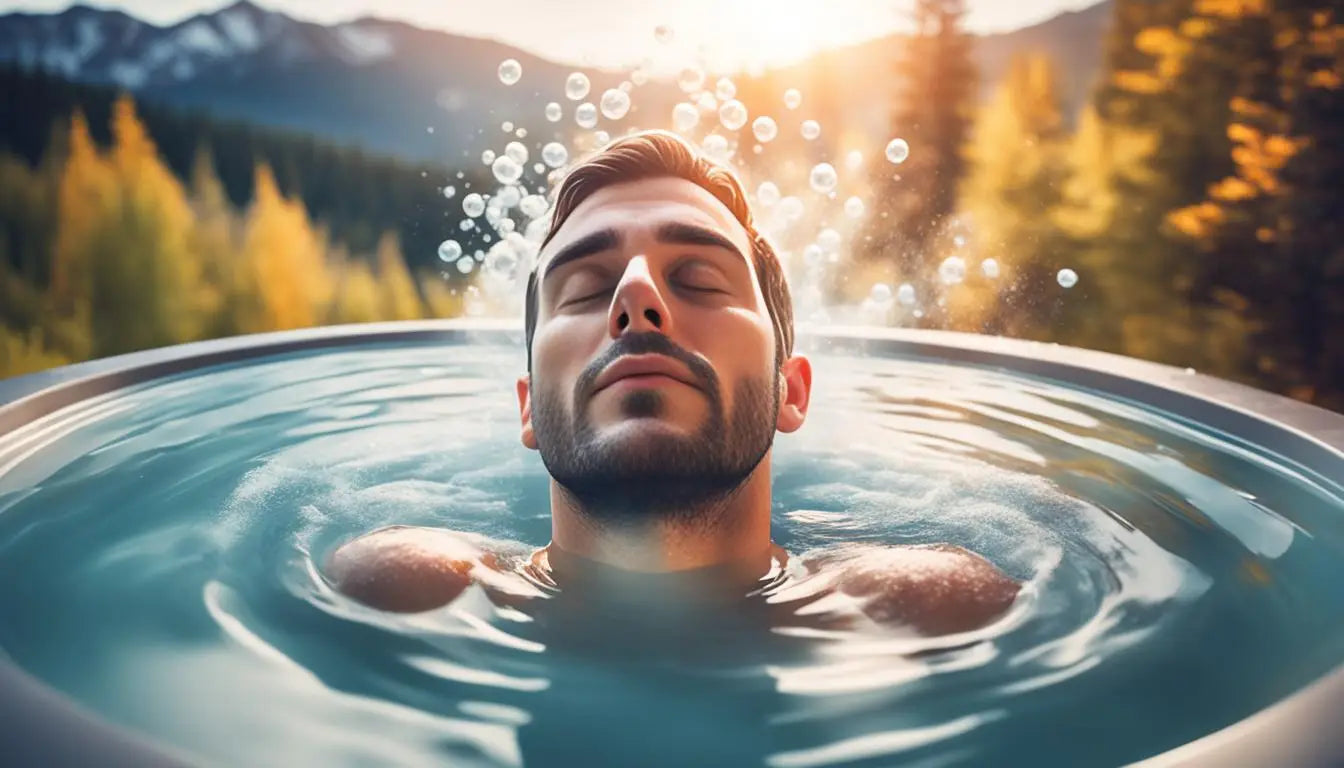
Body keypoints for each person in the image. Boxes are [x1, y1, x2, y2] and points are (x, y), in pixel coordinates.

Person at [326, 130, 1019, 638]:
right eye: (587, 288)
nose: (636, 299)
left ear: (792, 390)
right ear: (530, 403)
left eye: (698, 278)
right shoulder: (401, 586)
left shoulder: (934, 607)